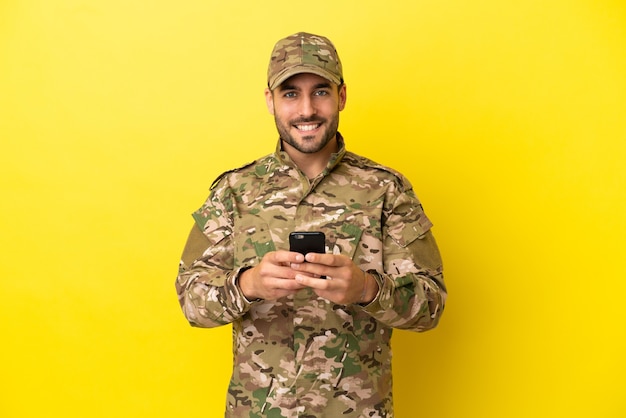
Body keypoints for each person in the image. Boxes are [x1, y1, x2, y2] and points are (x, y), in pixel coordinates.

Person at [175, 32, 447, 418]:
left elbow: (431, 306)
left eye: (320, 91)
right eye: (290, 93)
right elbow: (190, 300)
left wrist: (368, 289)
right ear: (270, 100)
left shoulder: (387, 190)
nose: (307, 109)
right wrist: (247, 285)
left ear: (342, 96)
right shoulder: (234, 192)